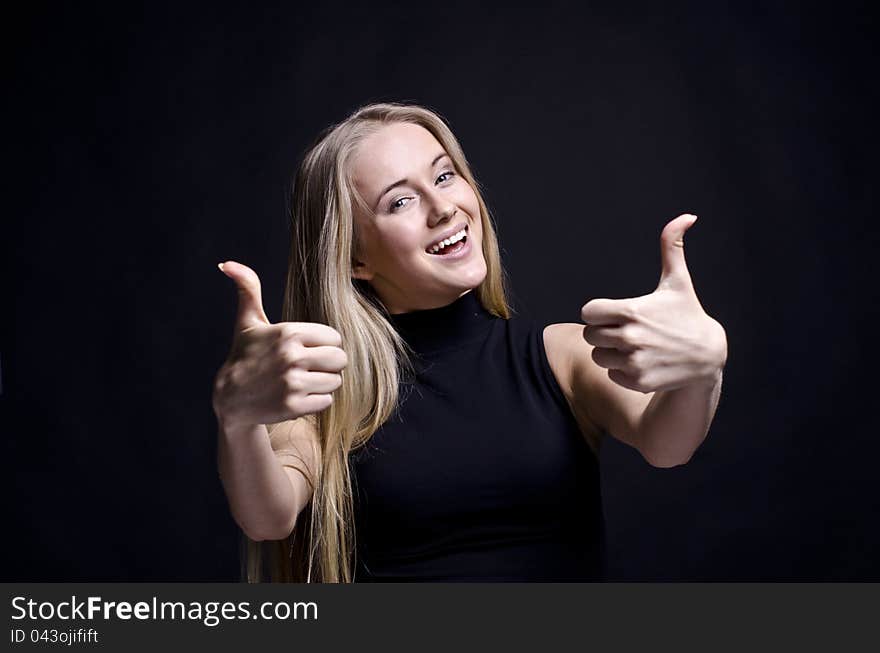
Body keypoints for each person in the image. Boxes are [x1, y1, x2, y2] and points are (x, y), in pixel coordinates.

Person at [212, 102, 728, 583]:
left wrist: (704, 367)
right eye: (401, 201)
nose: (443, 208)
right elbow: (268, 516)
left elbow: (667, 445)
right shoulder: (325, 387)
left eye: (444, 175)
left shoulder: (559, 356)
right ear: (354, 259)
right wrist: (236, 417)